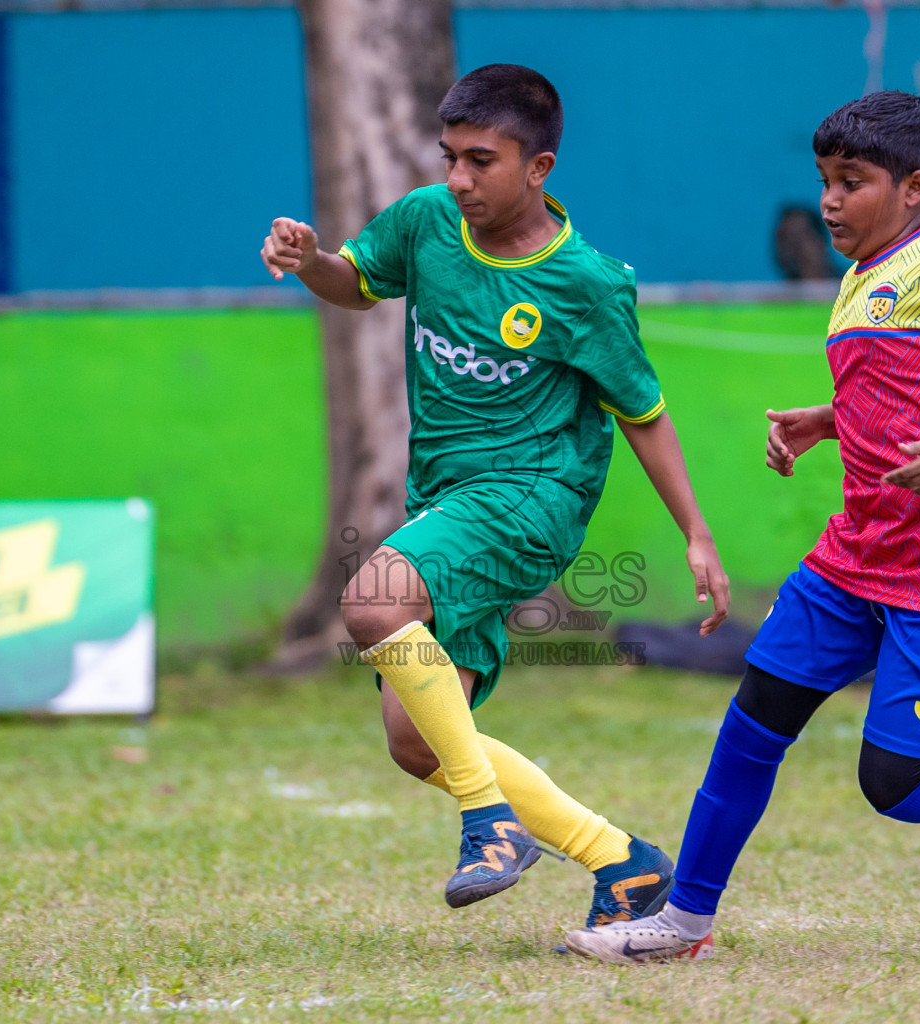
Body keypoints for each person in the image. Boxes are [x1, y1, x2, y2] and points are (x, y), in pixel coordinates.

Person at [563, 91, 920, 964]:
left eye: (852, 182)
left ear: (914, 187)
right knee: (754, 718)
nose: (830, 201)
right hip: (855, 553)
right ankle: (684, 920)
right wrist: (827, 418)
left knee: (897, 784)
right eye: (824, 182)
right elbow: (911, 390)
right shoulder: (859, 276)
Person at [259, 64, 731, 925]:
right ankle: (623, 864)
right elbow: (354, 287)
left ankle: (491, 826)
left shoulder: (585, 282)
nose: (458, 179)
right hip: (448, 503)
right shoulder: (426, 222)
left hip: (534, 496)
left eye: (480, 160)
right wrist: (310, 260)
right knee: (417, 742)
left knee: (370, 602)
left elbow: (643, 413)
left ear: (538, 167)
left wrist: (695, 533)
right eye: (449, 157)